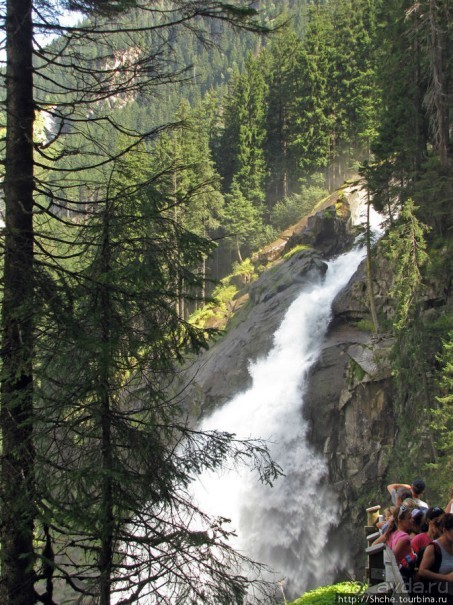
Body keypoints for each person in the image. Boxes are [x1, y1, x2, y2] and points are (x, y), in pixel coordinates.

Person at [418, 512, 453, 603]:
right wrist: (446, 578)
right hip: (441, 597)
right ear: (445, 530)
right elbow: (422, 571)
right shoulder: (433, 548)